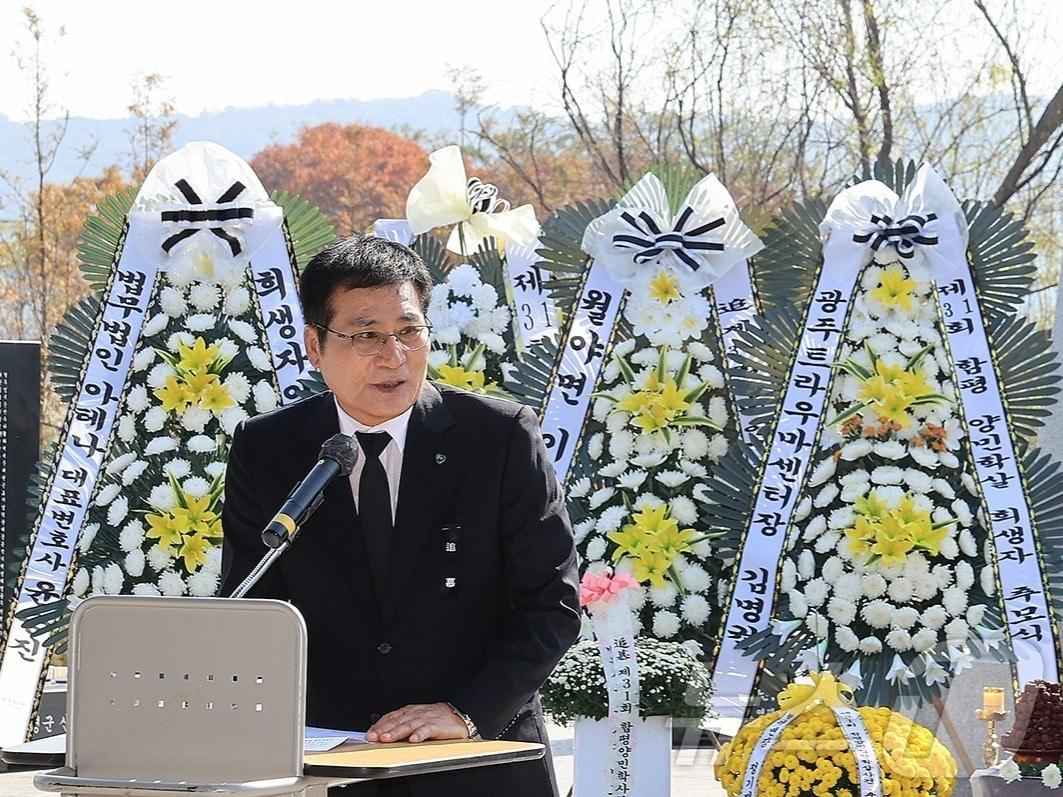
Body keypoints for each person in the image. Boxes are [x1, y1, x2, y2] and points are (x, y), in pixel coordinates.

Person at [219, 235, 581, 796]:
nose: (394, 356)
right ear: (314, 345)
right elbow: (249, 606)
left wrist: (465, 713)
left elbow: (550, 605)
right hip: (331, 760)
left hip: (478, 758)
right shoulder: (268, 450)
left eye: (409, 331)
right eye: (365, 335)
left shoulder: (498, 438)